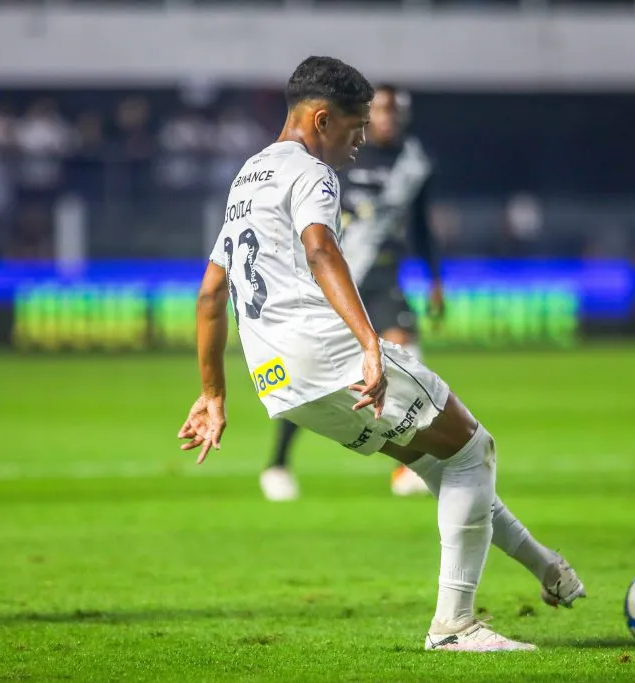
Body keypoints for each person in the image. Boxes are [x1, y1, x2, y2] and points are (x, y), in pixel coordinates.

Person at [178, 56, 584, 652]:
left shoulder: (248, 177)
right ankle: (455, 625)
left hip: (279, 382)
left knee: (440, 464)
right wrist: (371, 343)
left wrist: (214, 395)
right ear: (320, 120)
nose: (362, 139)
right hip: (328, 355)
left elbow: (212, 293)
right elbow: (321, 253)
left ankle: (546, 567)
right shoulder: (313, 174)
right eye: (355, 125)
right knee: (474, 449)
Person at [260, 83, 443, 501]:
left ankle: (407, 465)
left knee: (407, 361)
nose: (387, 120)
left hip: (385, 278)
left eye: (395, 113)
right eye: (380, 111)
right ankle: (277, 463)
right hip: (341, 277)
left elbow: (421, 227)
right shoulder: (342, 154)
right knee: (316, 375)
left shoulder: (415, 163)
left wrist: (435, 280)